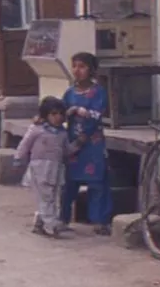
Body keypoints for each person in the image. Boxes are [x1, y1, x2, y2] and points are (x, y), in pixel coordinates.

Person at [61, 52, 113, 235]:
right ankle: (62, 218)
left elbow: (97, 115)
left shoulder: (98, 92)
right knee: (68, 183)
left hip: (92, 144)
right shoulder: (69, 93)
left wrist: (85, 134)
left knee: (97, 182)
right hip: (72, 144)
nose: (77, 70)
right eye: (75, 66)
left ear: (91, 70)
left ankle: (99, 220)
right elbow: (59, 113)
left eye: (82, 66)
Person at [14, 97, 72, 239]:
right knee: (46, 197)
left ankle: (39, 223)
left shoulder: (62, 133)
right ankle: (51, 225)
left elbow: (66, 150)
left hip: (56, 169)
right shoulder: (37, 129)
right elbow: (25, 144)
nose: (58, 117)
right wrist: (18, 158)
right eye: (53, 114)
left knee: (52, 196)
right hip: (40, 168)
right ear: (45, 115)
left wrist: (79, 144)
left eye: (60, 114)